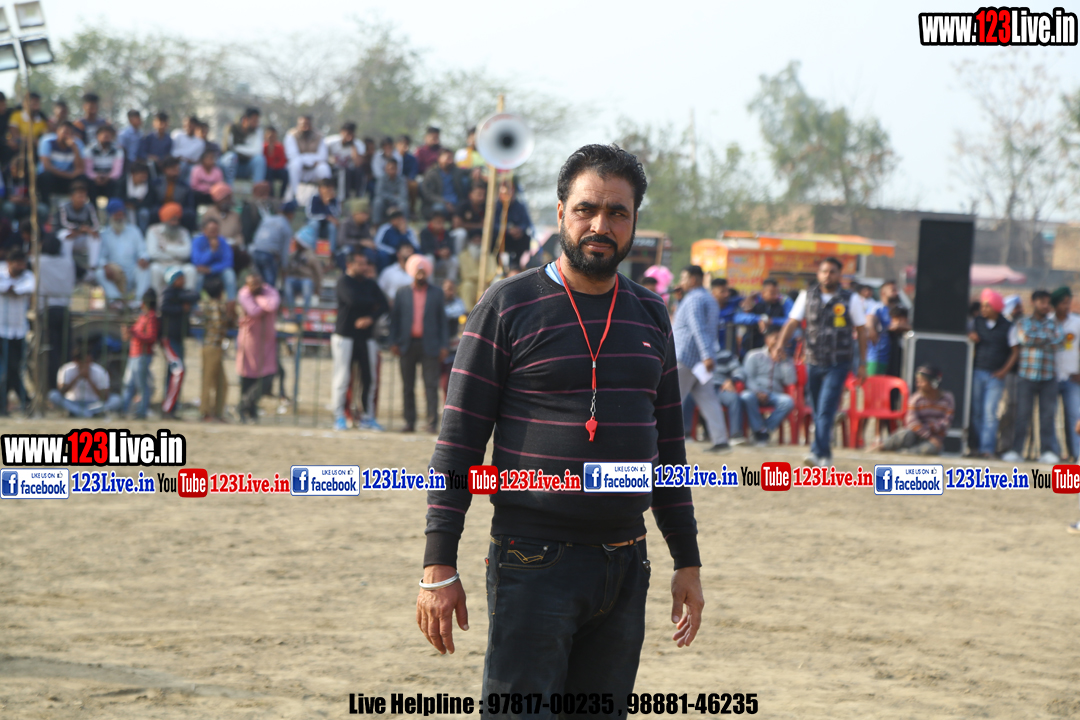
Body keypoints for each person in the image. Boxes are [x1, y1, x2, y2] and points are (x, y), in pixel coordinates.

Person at [417, 145, 702, 715]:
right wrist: (437, 566)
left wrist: (687, 560)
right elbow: (458, 445)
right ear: (560, 214)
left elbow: (669, 448)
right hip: (532, 558)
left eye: (617, 213)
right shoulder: (508, 305)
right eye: (586, 209)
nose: (601, 225)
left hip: (627, 561)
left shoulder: (651, 314)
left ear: (634, 222)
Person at [776, 257, 868, 468]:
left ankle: (816, 452)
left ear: (839, 275)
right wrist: (780, 343)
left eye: (832, 272)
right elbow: (793, 322)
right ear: (818, 274)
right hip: (813, 361)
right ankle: (825, 453)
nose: (828, 275)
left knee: (826, 407)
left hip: (839, 362)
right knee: (818, 408)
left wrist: (862, 362)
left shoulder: (850, 299)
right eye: (824, 271)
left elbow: (862, 330)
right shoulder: (807, 296)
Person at [673, 265, 732, 453]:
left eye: (684, 278)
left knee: (672, 400)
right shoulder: (708, 298)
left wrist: (706, 354)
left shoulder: (694, 299)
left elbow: (698, 328)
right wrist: (707, 355)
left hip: (687, 357)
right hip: (700, 360)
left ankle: (661, 440)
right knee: (708, 400)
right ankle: (721, 440)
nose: (681, 282)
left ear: (693, 280)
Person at [1001, 290, 1063, 464]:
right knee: (1022, 415)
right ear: (1033, 302)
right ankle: (1016, 450)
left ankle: (1046, 451)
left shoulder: (1054, 323)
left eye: (1048, 303)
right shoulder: (1023, 322)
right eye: (1042, 302)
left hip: (1048, 377)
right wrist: (1046, 339)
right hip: (1026, 376)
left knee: (1047, 416)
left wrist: (1037, 339)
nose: (1045, 306)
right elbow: (1025, 338)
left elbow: (1060, 342)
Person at [389, 254, 447, 434]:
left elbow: (442, 321)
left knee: (431, 385)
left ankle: (432, 423)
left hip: (430, 345)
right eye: (418, 272)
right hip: (407, 344)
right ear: (412, 272)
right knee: (408, 386)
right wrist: (393, 342)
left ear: (428, 272)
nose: (421, 275)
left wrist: (444, 345)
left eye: (423, 272)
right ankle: (409, 422)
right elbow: (395, 320)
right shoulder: (402, 293)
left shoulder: (437, 293)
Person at [331, 249, 387, 431]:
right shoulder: (343, 282)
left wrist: (370, 318)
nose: (364, 267)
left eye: (365, 264)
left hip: (366, 337)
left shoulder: (370, 283)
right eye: (360, 264)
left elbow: (384, 304)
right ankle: (339, 416)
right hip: (345, 336)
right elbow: (353, 300)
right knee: (342, 378)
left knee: (369, 378)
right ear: (350, 264)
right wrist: (372, 304)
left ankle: (367, 416)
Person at [968, 288, 1017, 459]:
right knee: (976, 412)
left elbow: (1015, 351)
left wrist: (1004, 371)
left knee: (990, 413)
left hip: (995, 376)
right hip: (977, 372)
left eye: (987, 306)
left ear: (995, 307)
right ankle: (974, 447)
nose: (983, 309)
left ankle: (987, 449)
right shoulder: (977, 322)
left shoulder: (1008, 326)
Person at [873, 365, 954, 455]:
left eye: (922, 382)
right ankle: (881, 447)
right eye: (918, 381)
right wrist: (927, 433)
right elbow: (912, 422)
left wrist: (930, 432)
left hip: (935, 439)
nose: (918, 385)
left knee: (930, 449)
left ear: (933, 383)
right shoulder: (916, 399)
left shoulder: (948, 399)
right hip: (916, 435)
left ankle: (905, 453)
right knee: (904, 434)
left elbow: (946, 422)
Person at [235, 271, 280, 423]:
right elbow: (254, 311)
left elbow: (272, 305)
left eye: (258, 283)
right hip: (249, 341)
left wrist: (258, 299)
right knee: (247, 378)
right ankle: (247, 412)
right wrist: (263, 303)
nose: (255, 286)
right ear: (247, 284)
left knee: (268, 377)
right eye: (252, 284)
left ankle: (243, 406)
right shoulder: (243, 293)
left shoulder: (269, 291)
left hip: (267, 343)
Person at [740, 327, 796, 445]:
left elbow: (790, 381)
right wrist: (757, 392)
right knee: (746, 397)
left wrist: (784, 362)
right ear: (767, 340)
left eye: (781, 339)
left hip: (774, 394)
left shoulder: (786, 359)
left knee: (788, 402)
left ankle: (763, 430)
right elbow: (748, 377)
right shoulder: (754, 355)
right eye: (775, 338)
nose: (778, 342)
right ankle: (759, 430)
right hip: (755, 392)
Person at [36, 232, 75, 390]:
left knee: (50, 352)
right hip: (64, 309)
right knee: (65, 351)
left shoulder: (39, 261)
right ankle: (65, 387)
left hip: (47, 311)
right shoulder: (68, 262)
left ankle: (52, 388)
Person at [96, 198, 151, 307]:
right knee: (99, 273)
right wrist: (105, 266)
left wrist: (143, 258)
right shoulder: (104, 234)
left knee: (145, 270)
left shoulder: (134, 231)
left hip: (132, 270)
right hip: (114, 273)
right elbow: (100, 257)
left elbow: (142, 250)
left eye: (121, 214)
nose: (119, 217)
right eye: (116, 215)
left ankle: (139, 304)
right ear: (110, 216)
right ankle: (116, 302)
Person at [159, 268, 198, 419]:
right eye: (180, 278)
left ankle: (171, 408)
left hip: (178, 338)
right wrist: (181, 307)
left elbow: (195, 295)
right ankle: (168, 408)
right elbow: (164, 307)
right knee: (178, 370)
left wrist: (180, 299)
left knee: (173, 372)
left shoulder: (181, 293)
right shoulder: (167, 292)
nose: (183, 281)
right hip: (169, 338)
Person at [0, 249, 32, 415]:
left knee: (12, 368)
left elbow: (28, 288)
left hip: (18, 331)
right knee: (6, 370)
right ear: (9, 263)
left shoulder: (28, 275)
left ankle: (6, 405)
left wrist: (10, 289)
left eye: (23, 264)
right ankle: (25, 401)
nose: (21, 267)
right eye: (18, 264)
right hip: (1, 330)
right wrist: (9, 288)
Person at [48, 347, 122, 418]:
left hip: (94, 404)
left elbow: (105, 397)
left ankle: (83, 413)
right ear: (76, 361)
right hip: (74, 403)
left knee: (116, 399)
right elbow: (61, 391)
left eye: (89, 362)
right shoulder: (66, 369)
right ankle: (86, 413)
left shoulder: (100, 371)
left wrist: (89, 379)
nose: (88, 365)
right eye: (84, 362)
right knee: (53, 395)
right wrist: (78, 377)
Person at [120, 289, 159, 419]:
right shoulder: (143, 316)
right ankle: (124, 410)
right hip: (134, 355)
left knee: (141, 386)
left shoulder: (151, 317)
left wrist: (134, 332)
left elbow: (151, 337)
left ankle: (141, 412)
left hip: (142, 355)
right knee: (129, 385)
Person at [1051, 286, 1080, 462]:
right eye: (1063, 303)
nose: (1067, 306)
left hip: (1072, 377)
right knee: (1051, 417)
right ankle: (1054, 454)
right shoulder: (1048, 322)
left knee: (1075, 417)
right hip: (1051, 377)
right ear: (1055, 304)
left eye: (1068, 302)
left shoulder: (1077, 322)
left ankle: (1077, 454)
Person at [146, 202, 196, 295]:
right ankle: (157, 301)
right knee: (154, 268)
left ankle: (189, 300)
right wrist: (176, 253)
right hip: (162, 265)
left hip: (179, 265)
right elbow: (153, 253)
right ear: (165, 220)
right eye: (172, 220)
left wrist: (166, 248)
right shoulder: (153, 230)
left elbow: (187, 252)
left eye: (177, 220)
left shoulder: (183, 232)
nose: (175, 223)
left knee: (190, 269)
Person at [200, 276, 231, 422]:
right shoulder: (216, 306)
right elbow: (219, 325)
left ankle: (217, 413)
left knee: (220, 383)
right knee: (209, 381)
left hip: (214, 346)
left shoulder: (211, 304)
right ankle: (206, 412)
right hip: (213, 347)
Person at [735, 278, 792, 355]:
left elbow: (790, 320)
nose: (776, 296)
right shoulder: (754, 301)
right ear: (763, 293)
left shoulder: (783, 302)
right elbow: (738, 317)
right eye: (772, 293)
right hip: (752, 344)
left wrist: (771, 321)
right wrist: (760, 319)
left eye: (777, 293)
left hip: (775, 346)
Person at [56, 181, 101, 278]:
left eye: (84, 196)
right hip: (67, 239)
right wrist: (81, 229)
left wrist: (84, 230)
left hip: (80, 239)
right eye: (79, 196)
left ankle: (92, 270)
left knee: (95, 237)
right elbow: (63, 224)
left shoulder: (89, 207)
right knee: (65, 235)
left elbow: (96, 226)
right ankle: (67, 267)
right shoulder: (64, 206)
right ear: (72, 197)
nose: (82, 199)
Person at [37, 121, 86, 203]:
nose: (67, 135)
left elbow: (80, 168)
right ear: (57, 131)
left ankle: (78, 204)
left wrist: (75, 149)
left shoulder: (78, 143)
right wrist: (68, 175)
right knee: (45, 176)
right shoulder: (47, 141)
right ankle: (45, 204)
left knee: (82, 178)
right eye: (65, 132)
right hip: (53, 176)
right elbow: (47, 166)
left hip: (68, 179)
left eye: (70, 133)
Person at [252, 200, 297, 287]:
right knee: (269, 286)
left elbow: (256, 237)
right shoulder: (286, 226)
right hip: (269, 255)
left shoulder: (268, 219)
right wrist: (284, 268)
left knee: (258, 284)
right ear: (290, 214)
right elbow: (284, 252)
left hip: (256, 251)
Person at [284, 115, 330, 200]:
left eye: (307, 124)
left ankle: (325, 198)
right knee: (294, 164)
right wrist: (311, 159)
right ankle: (293, 196)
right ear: (298, 125)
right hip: (299, 170)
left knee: (324, 168)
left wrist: (305, 159)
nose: (305, 127)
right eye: (303, 125)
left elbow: (323, 156)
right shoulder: (291, 135)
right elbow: (292, 155)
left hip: (313, 169)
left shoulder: (319, 136)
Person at [191, 217, 237, 300]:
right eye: (211, 230)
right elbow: (197, 262)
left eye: (216, 230)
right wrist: (211, 251)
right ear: (204, 230)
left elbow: (229, 262)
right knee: (198, 276)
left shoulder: (222, 241)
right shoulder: (197, 241)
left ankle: (231, 301)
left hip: (217, 271)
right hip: (202, 272)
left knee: (229, 274)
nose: (214, 233)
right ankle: (194, 303)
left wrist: (212, 269)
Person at [221, 107, 267, 186]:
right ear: (245, 119)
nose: (256, 123)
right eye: (254, 120)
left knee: (260, 159)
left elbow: (258, 151)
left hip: (246, 165)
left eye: (257, 121)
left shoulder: (257, 131)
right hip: (230, 164)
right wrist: (248, 150)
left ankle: (258, 189)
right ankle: (228, 188)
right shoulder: (232, 128)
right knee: (231, 156)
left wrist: (238, 148)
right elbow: (229, 148)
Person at [493, 181, 534, 269]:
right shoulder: (495, 207)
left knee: (525, 238)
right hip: (502, 237)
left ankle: (516, 264)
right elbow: (494, 225)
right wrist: (507, 230)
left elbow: (526, 223)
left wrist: (519, 230)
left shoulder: (520, 206)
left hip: (516, 236)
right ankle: (498, 266)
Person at [456, 229, 497, 312]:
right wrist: (481, 276)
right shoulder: (463, 256)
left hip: (486, 283)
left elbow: (493, 272)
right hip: (471, 284)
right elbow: (465, 275)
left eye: (479, 241)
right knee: (467, 286)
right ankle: (468, 313)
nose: (477, 243)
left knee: (495, 285)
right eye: (475, 241)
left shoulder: (489, 256)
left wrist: (485, 279)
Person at [282, 232, 322, 317]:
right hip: (294, 279)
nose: (295, 244)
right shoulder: (294, 254)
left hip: (306, 279)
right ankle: (291, 311)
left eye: (297, 242)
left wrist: (318, 287)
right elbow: (288, 268)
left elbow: (318, 272)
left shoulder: (310, 255)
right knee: (288, 282)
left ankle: (305, 313)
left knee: (307, 284)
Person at [150, 157, 195, 231]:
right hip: (161, 208)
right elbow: (153, 201)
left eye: (177, 169)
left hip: (178, 210)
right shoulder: (156, 184)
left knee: (189, 214)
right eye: (173, 169)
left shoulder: (184, 186)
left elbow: (189, 205)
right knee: (153, 212)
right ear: (165, 170)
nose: (176, 172)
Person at [866, 281, 900, 375]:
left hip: (892, 356)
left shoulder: (897, 309)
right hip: (877, 356)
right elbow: (869, 321)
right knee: (873, 381)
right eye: (893, 290)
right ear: (883, 293)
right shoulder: (877, 308)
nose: (896, 293)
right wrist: (871, 330)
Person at [85, 124, 124, 203]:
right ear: (97, 136)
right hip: (94, 179)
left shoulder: (118, 150)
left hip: (110, 179)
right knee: (87, 183)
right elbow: (88, 170)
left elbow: (117, 171)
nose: (106, 137)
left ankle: (112, 208)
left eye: (108, 135)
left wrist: (107, 177)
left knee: (117, 183)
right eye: (104, 135)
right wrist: (96, 177)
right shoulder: (89, 149)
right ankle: (93, 208)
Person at [326, 122, 365, 197]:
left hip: (350, 173)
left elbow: (358, 164)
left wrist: (353, 146)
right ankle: (340, 198)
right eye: (347, 134)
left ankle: (358, 197)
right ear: (342, 132)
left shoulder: (358, 144)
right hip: (333, 170)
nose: (349, 137)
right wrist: (330, 160)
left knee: (357, 172)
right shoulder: (330, 142)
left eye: (351, 134)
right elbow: (322, 156)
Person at [300, 177, 339, 253]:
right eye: (326, 188)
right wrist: (325, 217)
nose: (328, 191)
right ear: (320, 189)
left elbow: (336, 215)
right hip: (314, 225)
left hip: (326, 227)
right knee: (315, 224)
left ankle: (332, 253)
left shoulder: (334, 200)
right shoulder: (314, 198)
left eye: (330, 189)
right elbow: (310, 214)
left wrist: (328, 204)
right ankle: (312, 251)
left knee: (332, 226)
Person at [419, 209, 457, 284]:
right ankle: (429, 285)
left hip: (441, 262)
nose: (439, 225)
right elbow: (425, 249)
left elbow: (451, 248)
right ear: (431, 222)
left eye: (441, 222)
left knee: (454, 260)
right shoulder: (424, 232)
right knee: (429, 258)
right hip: (429, 262)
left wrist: (447, 252)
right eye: (437, 222)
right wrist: (438, 252)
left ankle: (450, 284)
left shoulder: (445, 233)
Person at [378, 242, 416, 308]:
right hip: (392, 308)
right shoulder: (388, 272)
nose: (409, 251)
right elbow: (380, 291)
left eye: (410, 249)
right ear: (398, 254)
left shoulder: (418, 273)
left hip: (413, 308)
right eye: (406, 248)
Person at [373, 157, 408, 224]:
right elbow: (379, 193)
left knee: (404, 204)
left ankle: (404, 224)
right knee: (377, 202)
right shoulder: (381, 179)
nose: (391, 171)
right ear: (385, 169)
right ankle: (376, 224)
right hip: (385, 202)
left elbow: (403, 195)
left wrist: (394, 202)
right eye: (388, 169)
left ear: (397, 169)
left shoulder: (402, 179)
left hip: (397, 203)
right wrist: (394, 196)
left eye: (393, 168)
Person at [263, 126, 289, 198]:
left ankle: (282, 195)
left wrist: (274, 166)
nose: (272, 138)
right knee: (268, 172)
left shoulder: (279, 147)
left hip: (277, 169)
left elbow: (282, 161)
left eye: (274, 136)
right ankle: (271, 196)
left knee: (285, 173)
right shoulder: (263, 147)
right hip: (268, 170)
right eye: (270, 136)